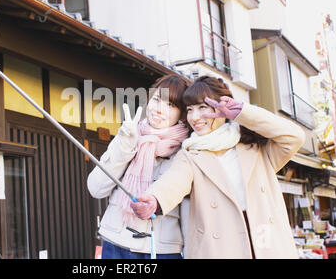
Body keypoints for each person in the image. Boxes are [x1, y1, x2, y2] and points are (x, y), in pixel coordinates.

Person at [130, 75, 306, 259]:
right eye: (190, 110)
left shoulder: (257, 149)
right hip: (222, 250)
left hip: (268, 245)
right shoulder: (191, 152)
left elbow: (294, 137)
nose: (195, 117)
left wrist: (243, 113)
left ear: (223, 108)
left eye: (202, 108)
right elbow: (174, 181)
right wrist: (155, 199)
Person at [87, 74, 191, 259]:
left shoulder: (186, 149)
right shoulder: (129, 135)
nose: (159, 109)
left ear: (182, 113)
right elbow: (96, 188)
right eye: (156, 100)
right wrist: (125, 146)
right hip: (115, 243)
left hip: (161, 250)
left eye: (170, 105)